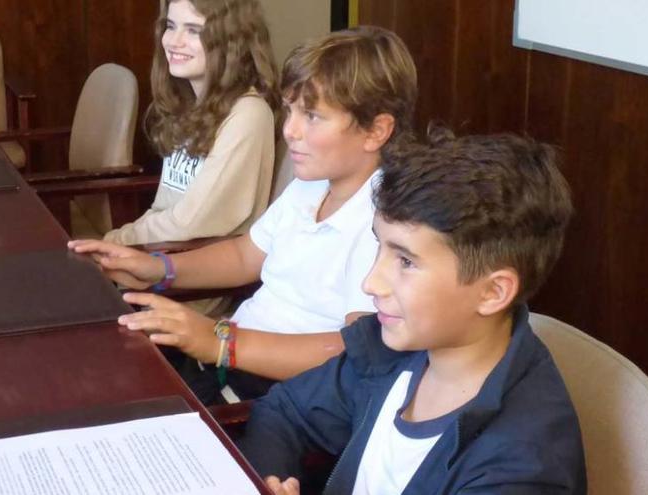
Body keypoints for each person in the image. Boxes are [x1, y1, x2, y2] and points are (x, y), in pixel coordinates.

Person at [69, 26, 419, 404]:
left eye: (313, 116)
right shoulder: (313, 184)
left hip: (277, 391)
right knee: (90, 365)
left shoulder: (383, 224)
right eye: (290, 110)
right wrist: (158, 268)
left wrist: (221, 343)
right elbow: (243, 256)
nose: (290, 130)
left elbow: (354, 353)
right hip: (231, 353)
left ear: (376, 131)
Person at [239, 127, 586, 494]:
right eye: (380, 246)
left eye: (405, 260)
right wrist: (271, 481)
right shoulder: (392, 348)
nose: (372, 282)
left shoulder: (524, 466)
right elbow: (284, 412)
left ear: (492, 292)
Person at [102, 0, 279, 245]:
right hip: (162, 252)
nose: (173, 41)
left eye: (194, 30)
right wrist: (119, 240)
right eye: (171, 26)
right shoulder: (190, 105)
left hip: (196, 267)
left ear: (232, 41)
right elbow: (164, 208)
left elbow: (189, 222)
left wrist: (117, 240)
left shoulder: (248, 114)